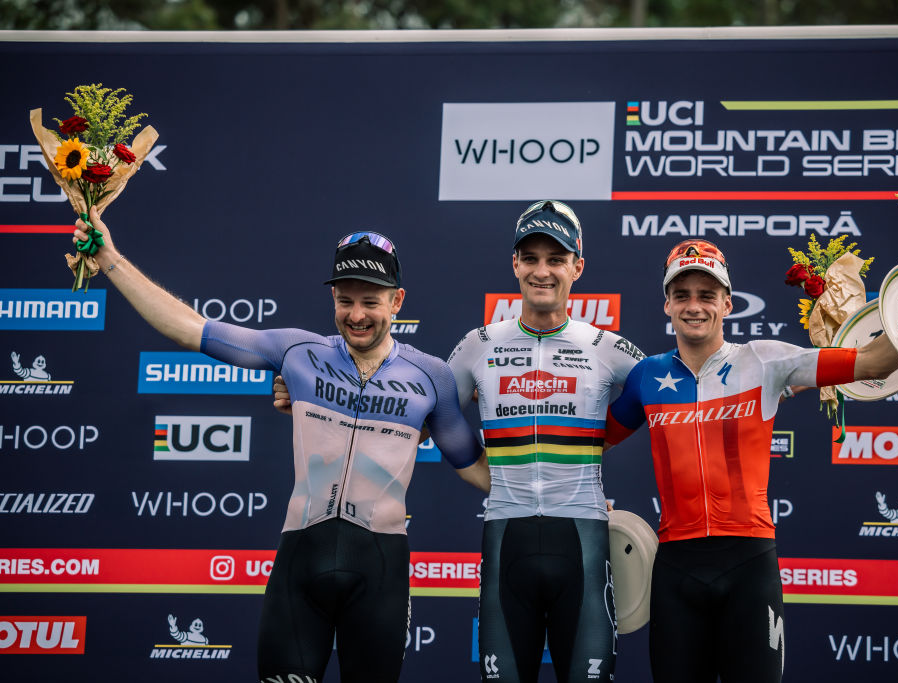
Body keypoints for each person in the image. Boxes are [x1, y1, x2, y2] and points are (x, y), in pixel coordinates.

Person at [72, 207, 488, 683]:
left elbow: (474, 466)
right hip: (300, 563)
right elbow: (189, 329)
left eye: (371, 302)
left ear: (397, 301)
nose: (356, 315)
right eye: (345, 300)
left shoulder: (431, 377)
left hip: (380, 571)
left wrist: (556, 498)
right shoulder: (298, 353)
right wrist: (109, 258)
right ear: (332, 297)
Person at [603, 239, 898, 683]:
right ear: (667, 304)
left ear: (728, 303)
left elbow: (873, 363)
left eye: (707, 295)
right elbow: (594, 443)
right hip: (676, 569)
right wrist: (588, 495)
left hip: (748, 565)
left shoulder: (764, 361)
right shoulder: (647, 376)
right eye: (682, 295)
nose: (694, 306)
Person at [446, 200, 646, 683]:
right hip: (506, 537)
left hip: (582, 539)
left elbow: (673, 391)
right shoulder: (478, 344)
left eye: (556, 259)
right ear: (514, 264)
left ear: (577, 267)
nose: (542, 271)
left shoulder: (604, 345)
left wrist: (761, 383)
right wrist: (479, 472)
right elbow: (426, 410)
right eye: (531, 258)